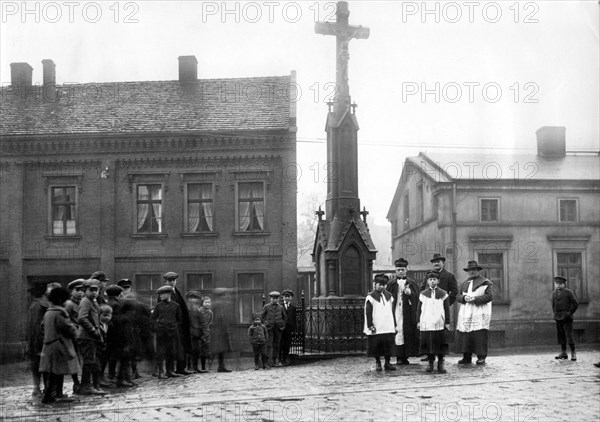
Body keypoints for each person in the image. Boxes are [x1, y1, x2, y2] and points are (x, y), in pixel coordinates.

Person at [38, 287, 80, 404]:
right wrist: (76, 332)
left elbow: (42, 327)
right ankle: (52, 395)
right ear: (62, 300)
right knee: (57, 372)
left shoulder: (48, 312)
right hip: (60, 345)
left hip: (49, 345)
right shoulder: (61, 313)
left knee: (54, 371)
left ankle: (54, 394)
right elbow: (68, 328)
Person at [27, 281, 60, 398]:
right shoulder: (38, 305)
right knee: (38, 364)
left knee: (44, 364)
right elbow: (36, 326)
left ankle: (46, 388)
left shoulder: (46, 303)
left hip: (44, 338)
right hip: (39, 340)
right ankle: (37, 388)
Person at [456, 261, 493, 365]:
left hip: (479, 312)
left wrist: (475, 299)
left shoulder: (485, 283)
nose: (471, 272)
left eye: (473, 270)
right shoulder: (464, 283)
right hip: (466, 312)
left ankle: (481, 357)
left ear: (478, 271)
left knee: (479, 335)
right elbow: (457, 296)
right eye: (469, 270)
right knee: (465, 335)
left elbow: (489, 296)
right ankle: (466, 357)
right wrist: (464, 297)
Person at [386, 258, 420, 365]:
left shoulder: (412, 283)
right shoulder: (391, 284)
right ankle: (398, 356)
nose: (400, 271)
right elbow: (387, 298)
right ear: (395, 270)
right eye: (398, 269)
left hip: (407, 312)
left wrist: (410, 294)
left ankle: (406, 356)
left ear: (406, 270)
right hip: (395, 310)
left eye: (403, 269)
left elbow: (418, 298)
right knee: (397, 332)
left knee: (408, 332)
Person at [77, 279, 106, 395]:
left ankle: (90, 385)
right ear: (85, 290)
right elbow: (82, 318)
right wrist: (93, 329)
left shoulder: (92, 301)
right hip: (87, 336)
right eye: (91, 290)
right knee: (89, 362)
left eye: (96, 290)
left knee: (92, 361)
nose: (94, 292)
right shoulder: (86, 301)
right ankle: (85, 386)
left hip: (92, 336)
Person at [417, 272, 450, 374]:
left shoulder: (443, 294)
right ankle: (430, 363)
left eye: (434, 279)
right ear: (427, 281)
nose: (432, 281)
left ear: (438, 281)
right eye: (430, 280)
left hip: (439, 322)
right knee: (429, 344)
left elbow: (447, 309)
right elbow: (419, 309)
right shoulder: (423, 294)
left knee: (440, 345)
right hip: (427, 322)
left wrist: (447, 322)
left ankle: (440, 364)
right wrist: (418, 321)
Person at [162, 272, 194, 375]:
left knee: (181, 347)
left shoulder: (176, 292)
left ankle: (181, 368)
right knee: (170, 348)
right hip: (171, 326)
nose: (172, 283)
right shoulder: (164, 294)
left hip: (180, 326)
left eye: (173, 280)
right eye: (169, 281)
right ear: (165, 282)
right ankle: (169, 370)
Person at [364, 274, 396, 372]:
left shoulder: (389, 296)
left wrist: (394, 323)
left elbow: (392, 310)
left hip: (387, 325)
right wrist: (370, 325)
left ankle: (387, 362)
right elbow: (368, 312)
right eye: (380, 284)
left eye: (384, 285)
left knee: (388, 345)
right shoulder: (371, 297)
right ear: (375, 284)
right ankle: (378, 362)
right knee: (376, 346)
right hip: (377, 325)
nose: (382, 287)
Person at [152, 285, 181, 379]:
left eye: (162, 294)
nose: (160, 296)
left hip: (172, 332)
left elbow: (179, 319)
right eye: (160, 294)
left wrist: (175, 326)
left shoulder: (176, 305)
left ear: (169, 294)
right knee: (161, 352)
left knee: (171, 351)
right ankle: (161, 371)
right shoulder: (158, 306)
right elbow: (152, 319)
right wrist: (157, 328)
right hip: (161, 332)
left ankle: (170, 371)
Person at [65, 278, 86, 394]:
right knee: (75, 360)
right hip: (74, 336)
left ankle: (84, 382)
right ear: (71, 291)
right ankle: (76, 382)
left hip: (84, 336)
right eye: (77, 290)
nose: (80, 292)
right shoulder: (69, 304)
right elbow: (66, 321)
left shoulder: (84, 303)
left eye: (82, 290)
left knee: (84, 359)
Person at [552, 275, 579, 361]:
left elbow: (575, 303)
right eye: (556, 283)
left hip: (567, 318)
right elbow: (553, 305)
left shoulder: (568, 292)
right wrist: (555, 314)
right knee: (561, 335)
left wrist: (569, 313)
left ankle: (573, 353)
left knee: (569, 335)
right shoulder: (554, 293)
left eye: (560, 284)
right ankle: (563, 352)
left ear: (564, 284)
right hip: (558, 317)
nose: (558, 285)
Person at [210, 288, 233, 372]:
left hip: (220, 330)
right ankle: (215, 365)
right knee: (218, 348)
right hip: (218, 330)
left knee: (221, 349)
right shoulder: (218, 304)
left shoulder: (217, 304)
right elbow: (220, 317)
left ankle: (221, 366)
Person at [261, 291, 286, 367]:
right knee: (269, 344)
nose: (274, 300)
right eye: (273, 298)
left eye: (276, 298)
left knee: (277, 344)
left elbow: (285, 317)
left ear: (278, 299)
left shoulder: (281, 307)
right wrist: (265, 323)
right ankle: (268, 361)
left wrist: (282, 325)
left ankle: (275, 360)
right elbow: (262, 316)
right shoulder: (266, 306)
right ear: (270, 299)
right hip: (269, 328)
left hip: (278, 328)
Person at [186, 290, 204, 372]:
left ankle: (196, 366)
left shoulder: (198, 309)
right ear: (188, 299)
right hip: (189, 332)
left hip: (197, 332)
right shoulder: (186, 309)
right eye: (192, 298)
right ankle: (189, 367)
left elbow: (201, 321)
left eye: (196, 298)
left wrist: (201, 331)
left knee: (197, 350)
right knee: (190, 350)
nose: (194, 300)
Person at [279, 289, 297, 366]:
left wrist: (293, 328)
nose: (287, 298)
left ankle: (285, 359)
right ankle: (279, 359)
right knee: (280, 344)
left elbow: (294, 319)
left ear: (291, 298)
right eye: (285, 296)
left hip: (289, 329)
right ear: (282, 297)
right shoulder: (279, 306)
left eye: (288, 296)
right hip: (280, 329)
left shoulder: (293, 308)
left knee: (287, 344)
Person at [197, 296, 213, 373]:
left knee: (205, 350)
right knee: (198, 349)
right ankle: (197, 367)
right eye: (205, 302)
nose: (207, 304)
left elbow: (209, 322)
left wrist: (206, 330)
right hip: (199, 331)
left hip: (206, 332)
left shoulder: (210, 313)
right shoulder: (199, 311)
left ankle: (204, 367)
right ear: (202, 303)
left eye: (209, 302)